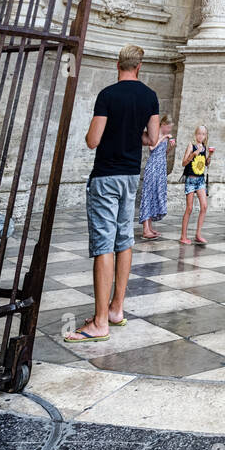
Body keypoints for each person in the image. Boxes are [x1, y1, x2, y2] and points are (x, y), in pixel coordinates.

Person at [64, 43, 159, 343]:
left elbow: (93, 140)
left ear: (118, 64)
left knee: (104, 244)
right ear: (139, 67)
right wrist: (135, 134)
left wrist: (101, 132)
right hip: (131, 175)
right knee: (124, 239)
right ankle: (116, 309)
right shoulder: (150, 96)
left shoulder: (107, 95)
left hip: (105, 176)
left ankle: (100, 322)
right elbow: (153, 138)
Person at [139, 114, 175, 238]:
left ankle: (150, 227)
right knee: (148, 195)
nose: (169, 131)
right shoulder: (156, 134)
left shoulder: (165, 137)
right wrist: (164, 136)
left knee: (154, 196)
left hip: (160, 168)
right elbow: (152, 146)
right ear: (163, 125)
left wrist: (170, 147)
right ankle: (145, 229)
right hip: (153, 167)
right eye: (168, 128)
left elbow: (162, 153)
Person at [180, 124, 213, 246]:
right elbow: (184, 163)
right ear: (195, 134)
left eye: (203, 134)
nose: (201, 136)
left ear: (206, 136)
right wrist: (193, 154)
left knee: (204, 206)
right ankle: (183, 236)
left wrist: (210, 156)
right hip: (190, 180)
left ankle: (198, 234)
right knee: (189, 208)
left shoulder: (204, 147)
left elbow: (205, 164)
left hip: (200, 181)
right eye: (199, 133)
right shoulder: (191, 146)